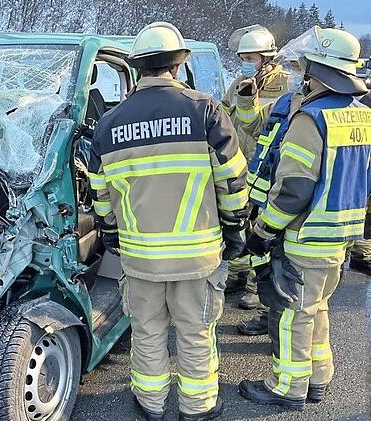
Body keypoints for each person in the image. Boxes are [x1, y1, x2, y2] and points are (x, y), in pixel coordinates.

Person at [88, 21, 248, 420]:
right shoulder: (206, 111)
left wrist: (111, 236)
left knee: (147, 331)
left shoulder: (108, 124)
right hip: (197, 256)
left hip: (140, 257)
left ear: (137, 68)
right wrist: (235, 229)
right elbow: (233, 182)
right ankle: (197, 407)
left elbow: (101, 196)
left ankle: (151, 403)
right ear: (177, 66)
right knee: (196, 332)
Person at [239, 27, 370, 409]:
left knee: (292, 315)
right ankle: (318, 378)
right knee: (316, 308)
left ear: (318, 70)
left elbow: (294, 188)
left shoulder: (310, 119)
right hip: (338, 236)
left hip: (304, 236)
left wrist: (264, 230)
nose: (301, 73)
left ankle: (286, 387)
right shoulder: (361, 115)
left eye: (306, 67)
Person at [238, 39, 310, 336]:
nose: (293, 75)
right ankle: (269, 314)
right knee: (265, 256)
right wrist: (246, 99)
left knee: (287, 269)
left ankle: (279, 322)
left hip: (290, 199)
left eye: (297, 68)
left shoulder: (315, 111)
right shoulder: (285, 102)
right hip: (265, 190)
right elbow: (254, 126)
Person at [222, 25, 290, 311]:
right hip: (241, 163)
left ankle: (254, 286)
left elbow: (265, 125)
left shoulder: (285, 84)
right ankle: (236, 273)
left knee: (262, 226)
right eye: (243, 58)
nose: (245, 64)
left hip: (268, 167)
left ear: (266, 58)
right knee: (240, 220)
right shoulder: (239, 82)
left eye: (250, 58)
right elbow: (224, 112)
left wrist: (249, 99)